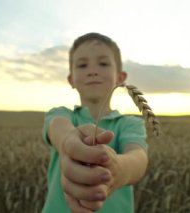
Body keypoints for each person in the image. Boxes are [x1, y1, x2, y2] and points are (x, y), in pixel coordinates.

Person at [42, 32, 148, 213]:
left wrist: (118, 170)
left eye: (103, 63)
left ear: (120, 78)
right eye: (82, 65)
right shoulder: (61, 114)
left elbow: (138, 159)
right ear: (71, 80)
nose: (92, 71)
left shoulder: (129, 123)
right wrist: (68, 142)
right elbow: (58, 128)